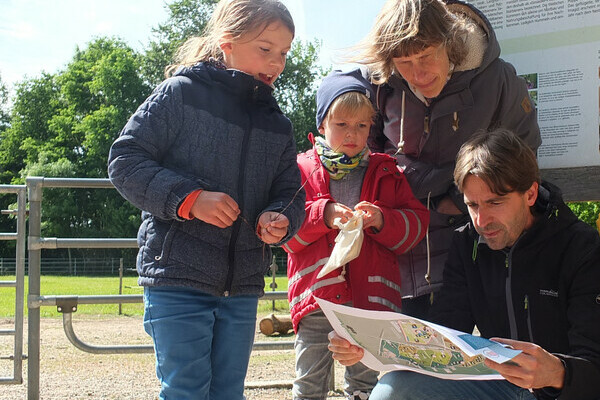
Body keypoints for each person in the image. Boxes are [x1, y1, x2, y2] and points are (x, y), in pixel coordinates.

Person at [107, 1, 305, 398]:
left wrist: (279, 218)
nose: (277, 62)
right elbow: (124, 160)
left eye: (284, 53)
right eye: (265, 49)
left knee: (228, 392)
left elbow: (291, 192)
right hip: (177, 276)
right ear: (227, 43)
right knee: (186, 391)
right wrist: (190, 199)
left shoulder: (278, 124)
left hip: (244, 285)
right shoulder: (180, 94)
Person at [328, 129, 600, 400]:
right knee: (393, 388)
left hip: (563, 393)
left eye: (495, 203)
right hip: (499, 386)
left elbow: (594, 366)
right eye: (473, 205)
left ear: (530, 194)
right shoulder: (468, 242)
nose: (482, 221)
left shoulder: (582, 248)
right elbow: (445, 335)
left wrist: (558, 373)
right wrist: (370, 347)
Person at [354, 0, 542, 319]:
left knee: (486, 358)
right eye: (405, 62)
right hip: (403, 252)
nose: (418, 74)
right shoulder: (379, 84)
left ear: (449, 41)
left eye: (426, 56)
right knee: (407, 364)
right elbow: (365, 153)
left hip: (476, 246)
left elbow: (523, 157)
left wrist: (457, 200)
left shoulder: (498, 80)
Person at [283, 69, 430, 400]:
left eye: (361, 126)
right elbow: (285, 231)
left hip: (371, 303)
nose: (352, 134)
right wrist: (325, 214)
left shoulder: (387, 170)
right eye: (342, 125)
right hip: (316, 298)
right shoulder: (299, 170)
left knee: (367, 385)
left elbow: (415, 226)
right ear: (322, 125)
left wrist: (380, 218)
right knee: (309, 383)